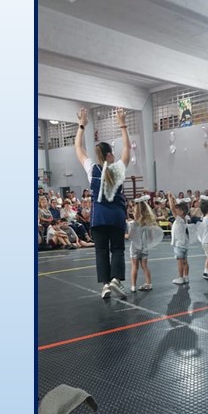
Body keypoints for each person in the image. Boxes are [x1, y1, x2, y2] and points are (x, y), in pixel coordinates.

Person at [74, 107, 130, 299]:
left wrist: (82, 125)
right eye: (112, 153)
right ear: (109, 155)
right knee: (117, 249)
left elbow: (78, 148)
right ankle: (116, 280)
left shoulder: (92, 169)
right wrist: (122, 125)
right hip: (116, 216)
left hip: (98, 217)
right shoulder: (119, 168)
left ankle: (105, 285)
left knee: (101, 251)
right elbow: (127, 149)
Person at [127, 195, 162, 292]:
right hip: (144, 248)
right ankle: (149, 283)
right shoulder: (148, 224)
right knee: (145, 266)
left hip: (135, 248)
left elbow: (130, 236)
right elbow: (151, 238)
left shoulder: (134, 224)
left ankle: (133, 286)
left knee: (134, 266)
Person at [170, 200, 191, 285]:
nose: (175, 211)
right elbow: (175, 207)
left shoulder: (179, 219)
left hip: (179, 244)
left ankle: (180, 277)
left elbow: (172, 208)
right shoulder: (186, 218)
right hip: (184, 244)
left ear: (181, 212)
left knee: (180, 261)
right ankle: (186, 276)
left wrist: (169, 198)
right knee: (185, 261)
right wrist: (173, 199)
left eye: (177, 210)